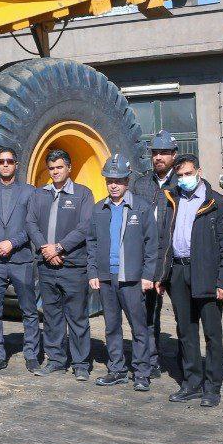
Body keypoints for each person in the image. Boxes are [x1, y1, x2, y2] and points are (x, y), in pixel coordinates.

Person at [153, 153, 223, 407]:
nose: (184, 179)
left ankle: (212, 386)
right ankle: (191, 383)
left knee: (212, 333)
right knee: (186, 331)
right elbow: (163, 240)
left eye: (188, 174)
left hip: (206, 274)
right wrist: (161, 275)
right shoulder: (172, 199)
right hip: (178, 272)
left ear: (199, 172)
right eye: (179, 175)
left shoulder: (218, 203)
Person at [88, 155, 157, 391]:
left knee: (139, 327)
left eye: (118, 180)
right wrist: (93, 272)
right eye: (110, 180)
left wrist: (148, 275)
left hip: (132, 279)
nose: (114, 185)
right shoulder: (99, 209)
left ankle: (142, 372)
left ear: (127, 181)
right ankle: (116, 369)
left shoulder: (142, 207)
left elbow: (151, 245)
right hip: (107, 278)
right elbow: (92, 243)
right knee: (112, 326)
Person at [26, 150, 94, 380]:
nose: (55, 172)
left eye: (59, 167)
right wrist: (45, 248)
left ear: (69, 168)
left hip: (72, 266)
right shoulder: (39, 194)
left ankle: (81, 364)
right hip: (46, 266)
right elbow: (31, 223)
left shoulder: (83, 194)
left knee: (77, 317)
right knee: (52, 315)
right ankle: (55, 360)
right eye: (52, 168)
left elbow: (85, 226)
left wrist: (59, 247)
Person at [0, 148, 40, 372]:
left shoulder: (29, 192)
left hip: (21, 259)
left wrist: (12, 243)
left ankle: (31, 355)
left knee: (29, 310)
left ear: (16, 164)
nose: (5, 164)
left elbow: (32, 225)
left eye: (9, 161)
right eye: (1, 161)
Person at [131, 130, 179, 378]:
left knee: (184, 316)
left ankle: (185, 364)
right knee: (148, 314)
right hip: (148, 259)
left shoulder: (181, 183)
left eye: (164, 153)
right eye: (155, 153)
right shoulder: (141, 185)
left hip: (175, 259)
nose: (158, 157)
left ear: (174, 154)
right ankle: (151, 361)